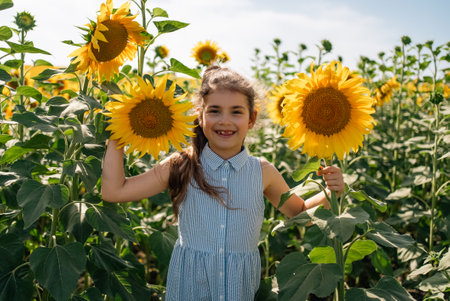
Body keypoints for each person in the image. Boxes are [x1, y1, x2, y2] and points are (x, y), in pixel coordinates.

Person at [101, 66, 345, 301]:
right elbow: (114, 191)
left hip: (237, 288)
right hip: (189, 287)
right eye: (215, 110)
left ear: (252, 119)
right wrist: (118, 133)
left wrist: (331, 192)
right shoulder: (182, 165)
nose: (225, 121)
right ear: (200, 115)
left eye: (236, 111)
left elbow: (300, 212)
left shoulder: (262, 172)